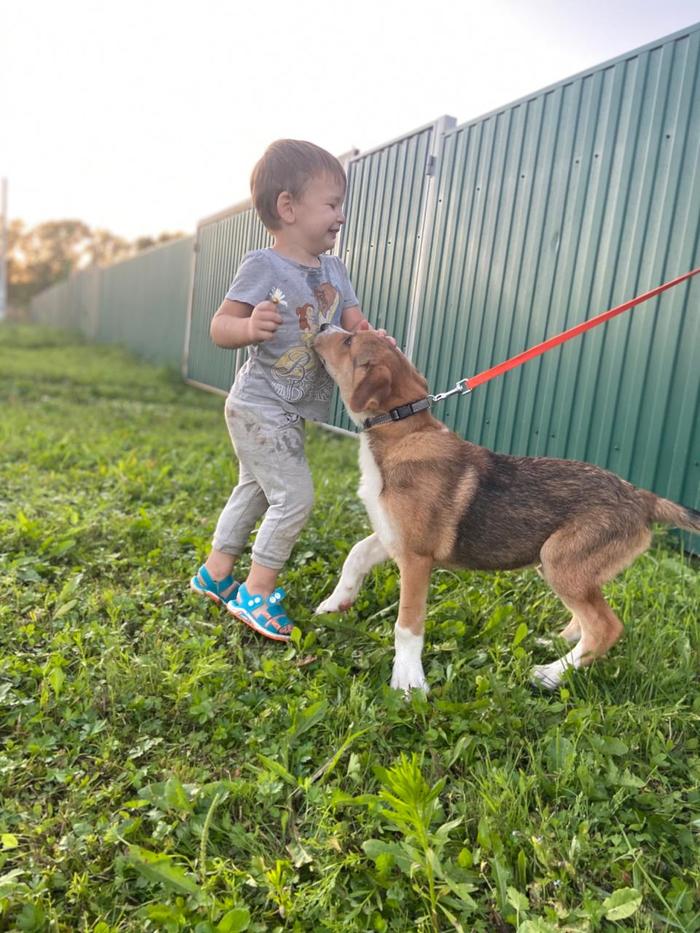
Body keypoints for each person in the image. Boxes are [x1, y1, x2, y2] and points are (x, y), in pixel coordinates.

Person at [190, 139, 386, 641]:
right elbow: (219, 326)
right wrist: (248, 327)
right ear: (288, 207)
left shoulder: (335, 271)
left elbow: (354, 322)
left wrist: (371, 337)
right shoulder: (264, 266)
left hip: (286, 407)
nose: (341, 215)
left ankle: (214, 573)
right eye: (332, 204)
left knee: (255, 490)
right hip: (258, 403)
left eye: (341, 205)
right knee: (294, 497)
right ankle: (256, 593)